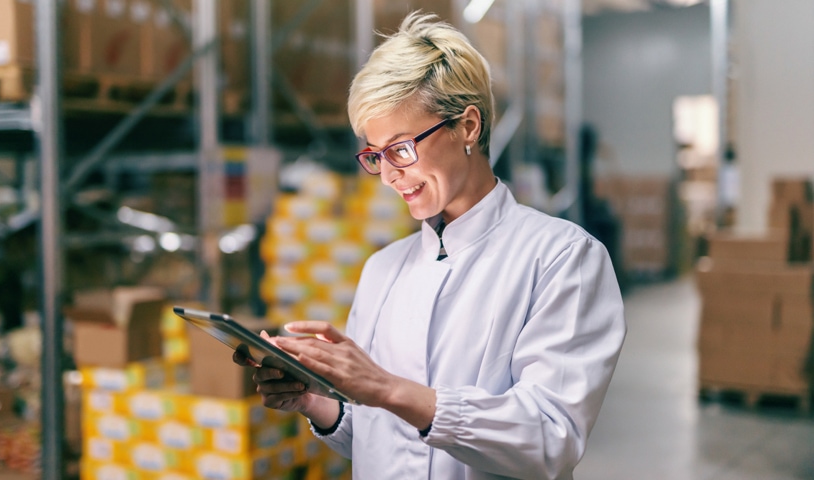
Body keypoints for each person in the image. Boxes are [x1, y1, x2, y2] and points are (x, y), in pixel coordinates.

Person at [234, 12, 626, 480]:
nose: (389, 174)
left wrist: (384, 387)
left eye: (402, 147)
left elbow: (548, 437)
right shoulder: (383, 269)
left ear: (468, 127)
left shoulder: (562, 259)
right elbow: (376, 435)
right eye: (375, 156)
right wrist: (317, 401)